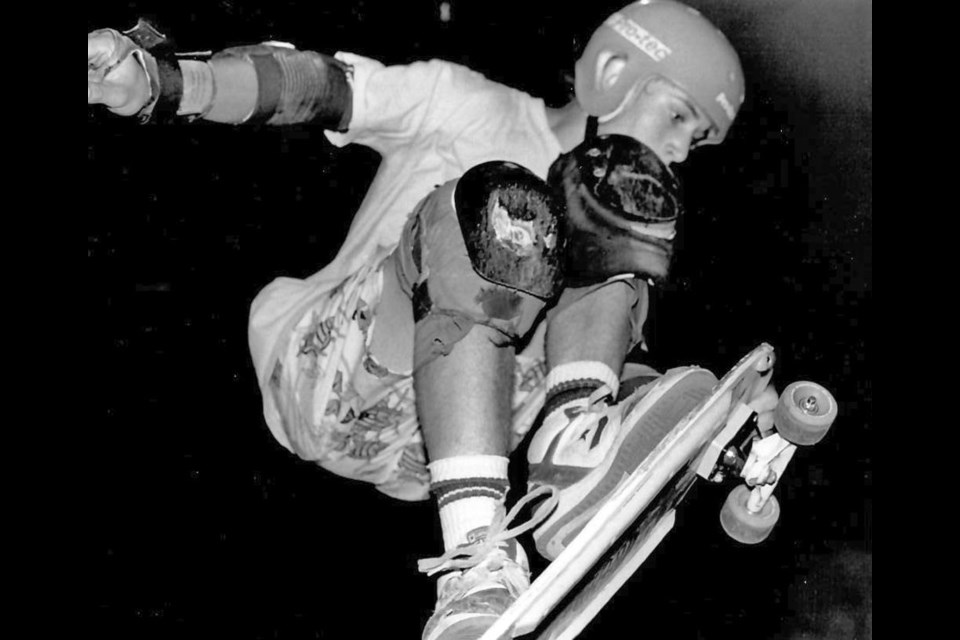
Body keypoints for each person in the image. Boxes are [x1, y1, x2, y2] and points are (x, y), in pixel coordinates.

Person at [88, 2, 778, 638]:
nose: (685, 150)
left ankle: (575, 447)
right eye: (681, 117)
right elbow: (322, 86)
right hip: (336, 377)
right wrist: (165, 81)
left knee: (615, 225)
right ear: (614, 73)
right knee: (505, 204)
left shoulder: (616, 220)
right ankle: (474, 563)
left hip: (434, 452)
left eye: (703, 140)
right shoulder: (466, 106)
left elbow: (603, 349)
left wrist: (710, 425)